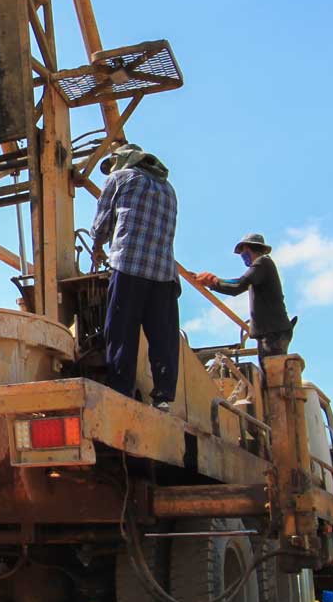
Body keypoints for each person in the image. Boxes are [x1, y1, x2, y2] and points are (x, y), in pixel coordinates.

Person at [90, 144, 180, 408]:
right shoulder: (169, 189)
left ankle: (121, 390)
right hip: (164, 273)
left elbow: (102, 223)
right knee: (162, 336)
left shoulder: (120, 178)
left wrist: (97, 247)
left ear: (124, 159)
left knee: (121, 331)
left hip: (129, 265)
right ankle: (163, 396)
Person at [194, 233, 294, 356]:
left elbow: (238, 285)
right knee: (270, 370)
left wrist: (214, 281)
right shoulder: (261, 267)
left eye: (242, 251)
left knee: (272, 370)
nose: (242, 255)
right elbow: (238, 282)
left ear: (247, 248)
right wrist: (214, 281)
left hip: (273, 332)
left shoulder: (262, 262)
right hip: (272, 332)